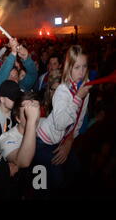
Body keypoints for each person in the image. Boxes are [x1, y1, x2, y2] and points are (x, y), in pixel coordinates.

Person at [34, 45, 92, 196]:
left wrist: (70, 140)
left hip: (60, 139)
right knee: (53, 182)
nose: (81, 72)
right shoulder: (62, 90)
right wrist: (78, 98)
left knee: (75, 171)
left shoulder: (84, 87)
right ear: (68, 67)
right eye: (77, 67)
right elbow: (61, 123)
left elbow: (79, 119)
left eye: (84, 66)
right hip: (42, 141)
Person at [0, 92, 40, 169]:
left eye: (35, 110)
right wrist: (31, 121)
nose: (34, 115)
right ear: (18, 118)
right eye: (27, 112)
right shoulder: (6, 138)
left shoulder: (43, 124)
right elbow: (23, 162)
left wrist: (68, 140)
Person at [0, 38, 38, 106]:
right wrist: (13, 53)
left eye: (16, 76)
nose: (13, 79)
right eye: (10, 76)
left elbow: (32, 74)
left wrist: (26, 58)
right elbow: (3, 74)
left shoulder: (22, 87)